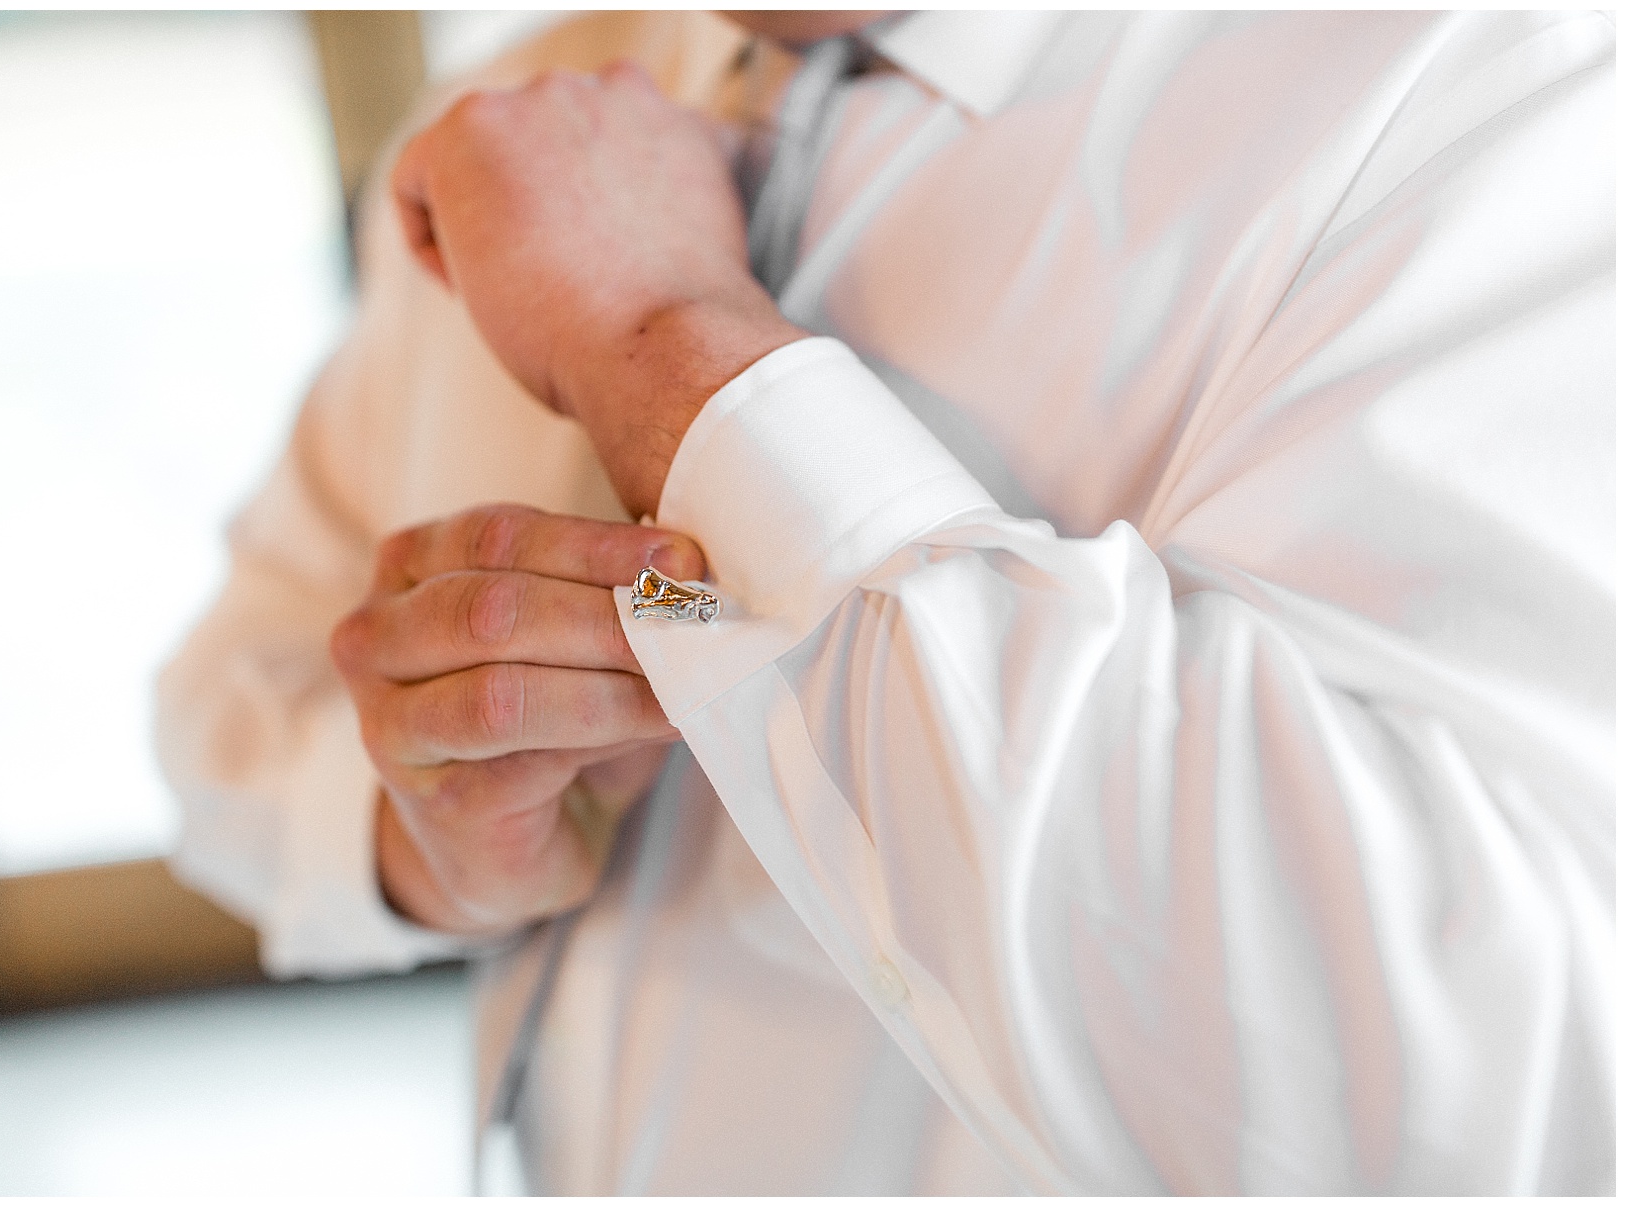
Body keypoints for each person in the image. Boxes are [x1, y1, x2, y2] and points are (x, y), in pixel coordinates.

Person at [157, 10, 1615, 1194]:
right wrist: (429, 847)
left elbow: (1450, 1111)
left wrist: (661, 343)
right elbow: (235, 704)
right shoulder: (513, 112)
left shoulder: (1509, 97)